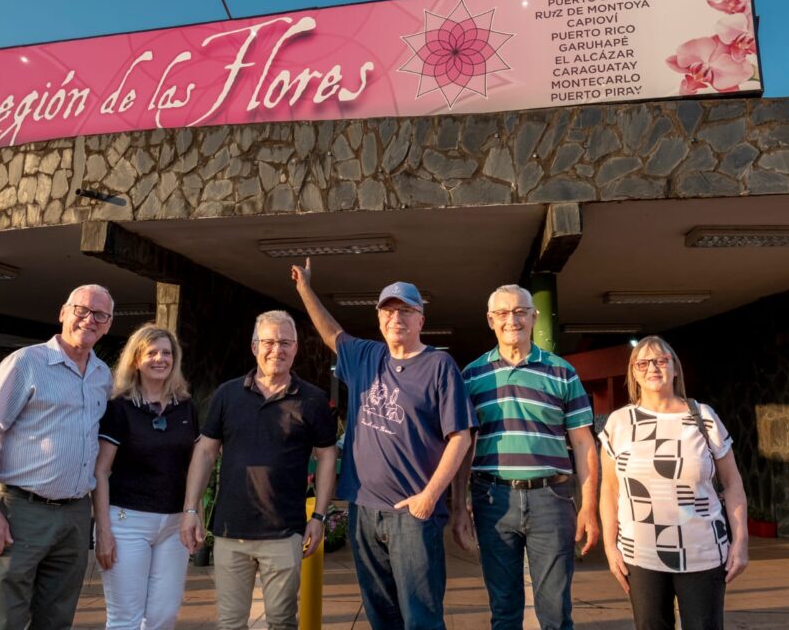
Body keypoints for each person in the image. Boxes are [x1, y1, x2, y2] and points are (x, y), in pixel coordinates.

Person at [291, 258, 477, 630]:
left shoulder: (439, 366)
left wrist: (430, 498)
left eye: (406, 311)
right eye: (389, 312)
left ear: (420, 320)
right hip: (363, 508)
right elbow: (331, 332)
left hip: (412, 515)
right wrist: (305, 290)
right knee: (381, 614)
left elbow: (461, 436)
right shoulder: (365, 357)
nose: (397, 319)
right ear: (379, 320)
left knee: (420, 617)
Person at [451, 284, 599, 630]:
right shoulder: (472, 376)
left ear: (534, 316)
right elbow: (461, 449)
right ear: (490, 321)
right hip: (493, 500)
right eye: (502, 313)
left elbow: (583, 444)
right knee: (504, 610)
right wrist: (459, 508)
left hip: (553, 499)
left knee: (556, 612)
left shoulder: (563, 372)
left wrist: (588, 507)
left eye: (520, 311)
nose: (511, 320)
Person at [0, 284, 114, 629]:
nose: (89, 320)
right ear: (63, 312)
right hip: (21, 512)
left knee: (57, 618)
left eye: (100, 315)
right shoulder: (26, 363)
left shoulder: (102, 375)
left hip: (75, 515)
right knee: (1, 617)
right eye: (81, 310)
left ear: (108, 325)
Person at [180, 310, 337, 630]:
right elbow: (205, 452)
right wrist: (191, 509)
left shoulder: (313, 400)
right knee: (230, 622)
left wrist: (319, 516)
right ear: (254, 347)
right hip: (230, 532)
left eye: (285, 342)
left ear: (295, 349)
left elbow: (327, 456)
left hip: (285, 531)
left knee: (281, 621)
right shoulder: (227, 394)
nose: (276, 349)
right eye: (268, 342)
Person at [598, 335, 748, 630]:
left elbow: (732, 484)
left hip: (702, 551)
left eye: (661, 360)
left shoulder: (703, 416)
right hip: (640, 553)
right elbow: (610, 489)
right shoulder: (619, 423)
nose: (652, 367)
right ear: (634, 373)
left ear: (675, 368)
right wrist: (609, 544)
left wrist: (740, 542)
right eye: (643, 363)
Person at [94, 324, 198, 629]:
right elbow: (100, 471)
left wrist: (195, 512)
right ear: (136, 359)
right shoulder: (118, 407)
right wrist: (102, 531)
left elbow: (194, 465)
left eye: (166, 353)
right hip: (127, 522)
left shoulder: (186, 405)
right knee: (125, 617)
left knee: (163, 615)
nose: (160, 359)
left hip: (175, 523)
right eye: (151, 352)